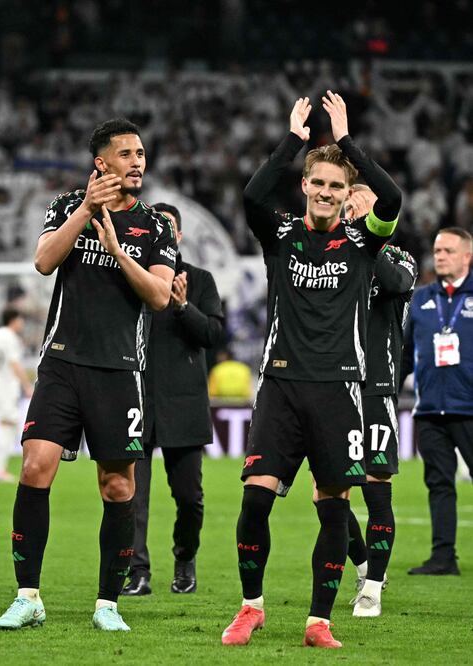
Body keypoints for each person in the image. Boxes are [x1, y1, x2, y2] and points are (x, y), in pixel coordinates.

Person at [221, 93, 402, 649]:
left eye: (336, 187)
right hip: (280, 384)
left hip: (339, 389)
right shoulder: (280, 236)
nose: (326, 193)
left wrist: (346, 143)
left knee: (333, 509)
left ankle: (318, 622)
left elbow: (392, 197)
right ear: (305, 186)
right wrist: (295, 142)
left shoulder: (362, 241)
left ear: (347, 196)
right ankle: (251, 608)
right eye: (318, 183)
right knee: (255, 499)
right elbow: (252, 193)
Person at [0, 118, 177, 632]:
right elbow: (43, 261)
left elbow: (160, 296)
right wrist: (86, 213)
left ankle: (107, 604)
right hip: (62, 362)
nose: (138, 161)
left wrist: (117, 251)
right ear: (102, 162)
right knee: (34, 467)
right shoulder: (67, 204)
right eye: (126, 153)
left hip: (119, 369)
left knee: (118, 487)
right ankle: (28, 597)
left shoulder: (154, 225)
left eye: (141, 152)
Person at [122, 202, 224, 598]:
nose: (164, 231)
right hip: (136, 401)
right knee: (132, 498)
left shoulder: (199, 280)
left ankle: (185, 559)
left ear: (178, 236)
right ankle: (138, 573)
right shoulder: (130, 277)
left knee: (189, 499)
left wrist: (182, 306)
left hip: (183, 403)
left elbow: (214, 336)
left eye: (170, 227)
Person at [331, 186, 417, 618]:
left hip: (376, 389)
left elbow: (396, 284)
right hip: (332, 388)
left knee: (376, 490)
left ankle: (373, 591)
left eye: (359, 208)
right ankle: (366, 567)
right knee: (327, 494)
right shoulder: (335, 260)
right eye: (347, 209)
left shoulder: (400, 258)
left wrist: (374, 236)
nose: (352, 214)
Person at [403, 227, 473, 576]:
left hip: (469, 408)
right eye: (436, 249)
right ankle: (443, 557)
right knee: (439, 484)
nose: (439, 255)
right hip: (430, 408)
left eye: (447, 250)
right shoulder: (420, 299)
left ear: (466, 257)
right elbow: (402, 354)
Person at [0, 307, 32, 483]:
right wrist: (26, 385)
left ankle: (0, 467)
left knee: (9, 424)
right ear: (14, 319)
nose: (22, 323)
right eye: (21, 319)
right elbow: (14, 363)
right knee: (7, 424)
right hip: (4, 385)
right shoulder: (9, 337)